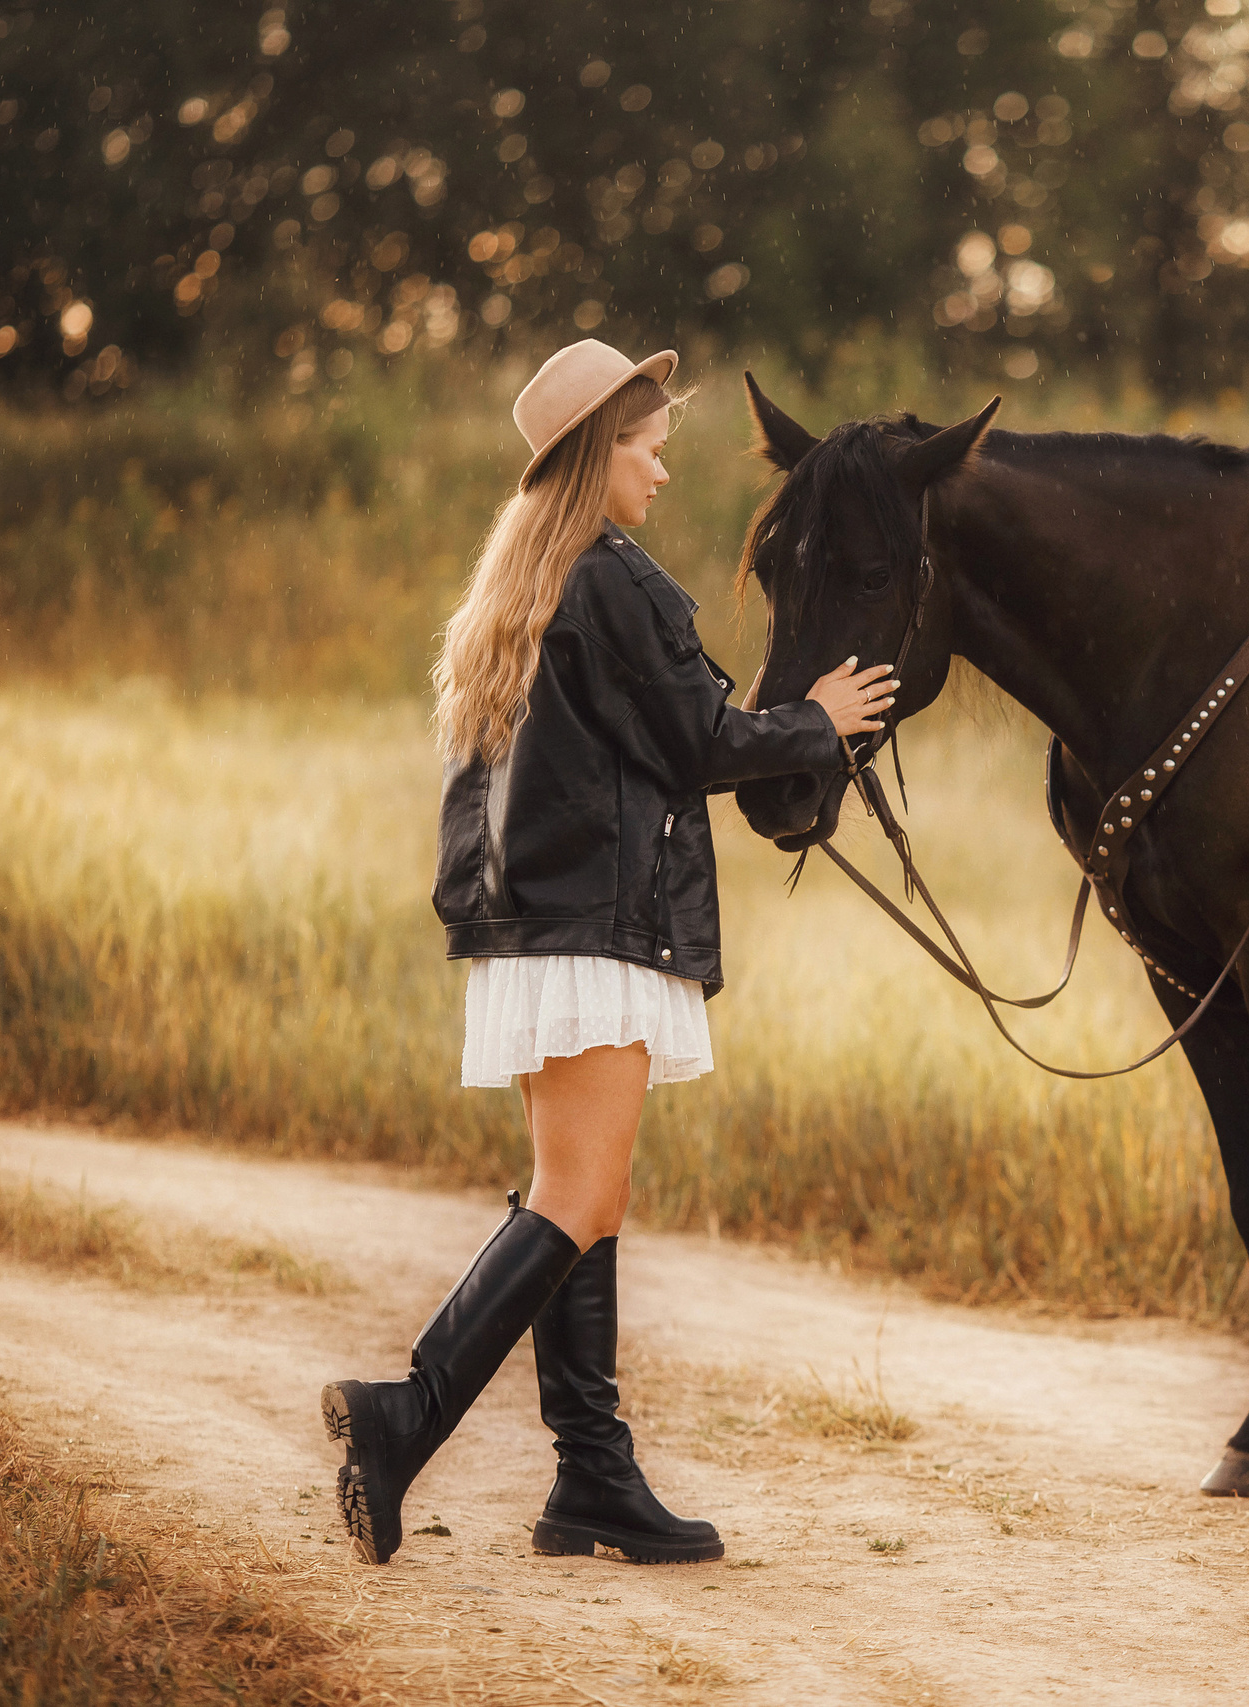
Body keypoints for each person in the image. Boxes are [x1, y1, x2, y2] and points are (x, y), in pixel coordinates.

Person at [321, 340, 894, 1567]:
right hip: (595, 929)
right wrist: (819, 721)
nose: (661, 471)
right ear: (599, 455)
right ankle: (403, 1414)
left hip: (537, 932)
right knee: (576, 1199)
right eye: (647, 448)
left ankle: (591, 1476)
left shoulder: (525, 580)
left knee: (584, 1199)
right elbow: (699, 741)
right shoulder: (612, 577)